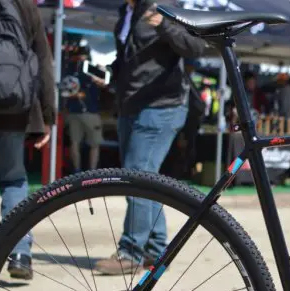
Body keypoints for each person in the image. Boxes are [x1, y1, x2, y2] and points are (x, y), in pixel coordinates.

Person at [94, 0, 205, 275]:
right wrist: (110, 76)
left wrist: (165, 24)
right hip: (130, 104)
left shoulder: (163, 5)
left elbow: (196, 47)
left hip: (162, 106)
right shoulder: (127, 11)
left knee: (137, 176)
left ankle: (130, 252)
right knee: (145, 178)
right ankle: (156, 252)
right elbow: (131, 58)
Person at [0, 0, 55, 280]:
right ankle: (20, 253)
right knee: (13, 179)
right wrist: (48, 116)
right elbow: (43, 60)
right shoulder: (25, 5)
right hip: (13, 108)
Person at [65, 45, 103, 175]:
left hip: (75, 111)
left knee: (76, 143)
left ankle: (78, 170)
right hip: (88, 112)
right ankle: (89, 172)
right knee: (93, 144)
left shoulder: (69, 69)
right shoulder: (92, 70)